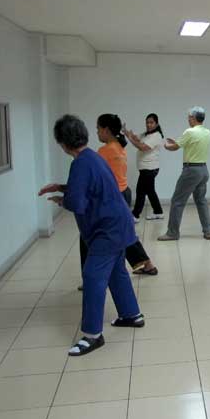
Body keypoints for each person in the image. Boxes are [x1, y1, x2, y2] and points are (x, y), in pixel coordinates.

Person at [39, 115, 144, 356]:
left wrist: (63, 199)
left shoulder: (81, 163)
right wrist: (60, 187)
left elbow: (77, 202)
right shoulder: (92, 158)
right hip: (118, 225)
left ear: (63, 144)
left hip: (107, 230)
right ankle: (132, 314)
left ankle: (92, 335)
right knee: (116, 271)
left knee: (93, 274)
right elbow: (88, 188)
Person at [94, 114, 157, 275]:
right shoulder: (119, 146)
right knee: (122, 233)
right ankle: (145, 264)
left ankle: (145, 265)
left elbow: (96, 177)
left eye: (98, 129)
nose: (97, 132)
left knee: (121, 234)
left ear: (106, 130)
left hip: (114, 196)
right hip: (123, 192)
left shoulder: (105, 150)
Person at [158, 107, 210, 241]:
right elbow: (190, 144)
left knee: (177, 201)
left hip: (191, 171)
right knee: (201, 201)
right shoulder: (207, 132)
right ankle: (208, 231)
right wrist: (176, 142)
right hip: (204, 170)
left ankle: (172, 233)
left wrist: (166, 146)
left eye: (189, 117)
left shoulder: (189, 131)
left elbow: (175, 147)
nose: (188, 119)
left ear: (193, 118)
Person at [124, 113, 165, 222]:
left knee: (140, 191)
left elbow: (143, 147)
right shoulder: (146, 134)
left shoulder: (156, 135)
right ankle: (158, 212)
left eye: (151, 122)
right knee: (150, 191)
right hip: (146, 168)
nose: (149, 124)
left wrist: (131, 139)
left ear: (156, 124)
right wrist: (127, 132)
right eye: (147, 122)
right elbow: (135, 138)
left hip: (150, 169)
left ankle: (135, 215)